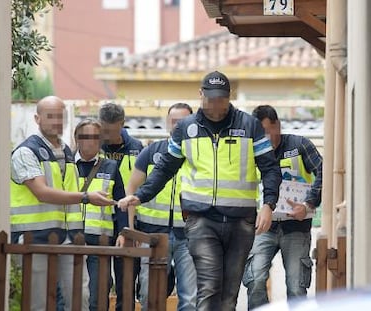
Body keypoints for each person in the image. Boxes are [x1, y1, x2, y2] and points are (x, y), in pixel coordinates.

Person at [118, 71, 282, 310]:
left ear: (229, 96)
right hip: (201, 219)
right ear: (201, 94)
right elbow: (165, 168)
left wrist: (268, 205)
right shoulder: (186, 128)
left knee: (229, 294)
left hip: (241, 221)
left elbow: (270, 168)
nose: (216, 104)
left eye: (221, 99)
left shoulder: (249, 126)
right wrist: (141, 195)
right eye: (211, 98)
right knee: (208, 287)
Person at [10, 96, 113, 311]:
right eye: (51, 116)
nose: (57, 121)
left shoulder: (66, 151)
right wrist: (86, 197)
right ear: (37, 118)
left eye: (60, 116)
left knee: (80, 299)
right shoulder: (25, 152)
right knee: (38, 303)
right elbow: (42, 192)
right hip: (34, 237)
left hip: (70, 238)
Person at [243, 105, 323, 310]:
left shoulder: (300, 145)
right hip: (262, 229)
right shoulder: (250, 151)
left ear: (278, 125)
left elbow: (324, 171)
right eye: (259, 133)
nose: (265, 138)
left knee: (296, 287)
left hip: (296, 227)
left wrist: (308, 204)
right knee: (255, 280)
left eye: (268, 131)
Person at [126, 103, 197, 311]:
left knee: (190, 299)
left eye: (182, 122)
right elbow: (131, 188)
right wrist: (131, 229)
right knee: (149, 295)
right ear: (167, 123)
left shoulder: (199, 156)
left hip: (189, 236)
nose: (177, 127)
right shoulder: (151, 152)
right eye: (174, 122)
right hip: (152, 236)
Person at [74, 118, 128, 310]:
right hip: (71, 239)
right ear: (77, 139)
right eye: (86, 137)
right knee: (71, 294)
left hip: (101, 241)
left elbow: (121, 203)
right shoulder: (66, 166)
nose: (91, 141)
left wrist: (123, 232)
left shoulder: (111, 167)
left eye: (96, 137)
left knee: (99, 293)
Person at [98, 102, 144, 311]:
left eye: (111, 129)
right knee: (100, 284)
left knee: (126, 284)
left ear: (122, 125)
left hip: (128, 221)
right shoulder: (92, 146)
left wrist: (131, 228)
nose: (106, 134)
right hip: (99, 221)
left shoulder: (137, 148)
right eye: (103, 128)